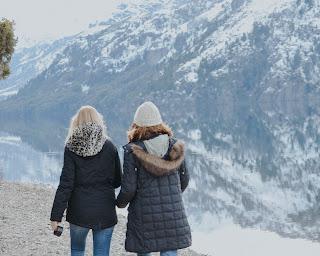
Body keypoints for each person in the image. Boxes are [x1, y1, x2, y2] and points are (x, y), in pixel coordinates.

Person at [116, 101, 192, 256]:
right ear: (159, 123)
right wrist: (170, 197)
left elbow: (129, 188)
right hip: (172, 213)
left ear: (137, 125)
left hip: (143, 215)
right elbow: (184, 180)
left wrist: (120, 203)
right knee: (170, 250)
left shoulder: (133, 151)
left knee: (144, 250)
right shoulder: (176, 146)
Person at [50, 105, 122, 256]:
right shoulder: (110, 146)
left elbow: (66, 184)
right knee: (102, 252)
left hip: (79, 211)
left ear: (76, 122)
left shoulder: (71, 147)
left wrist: (56, 216)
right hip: (105, 210)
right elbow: (117, 180)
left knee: (77, 250)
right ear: (99, 121)